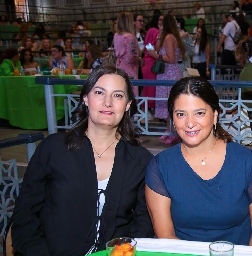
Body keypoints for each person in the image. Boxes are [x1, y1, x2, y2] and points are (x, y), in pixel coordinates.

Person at [12, 66, 154, 255]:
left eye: (118, 95)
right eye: (99, 92)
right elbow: (25, 216)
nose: (107, 102)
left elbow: (144, 221)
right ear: (86, 98)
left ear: (128, 104)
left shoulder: (140, 159)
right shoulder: (53, 149)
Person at [145, 76, 252, 247]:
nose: (190, 123)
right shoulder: (161, 167)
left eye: (199, 113)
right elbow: (166, 237)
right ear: (172, 120)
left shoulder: (245, 161)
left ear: (215, 115)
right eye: (181, 114)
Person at [146, 14, 185, 145]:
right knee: (170, 104)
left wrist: (156, 56)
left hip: (169, 73)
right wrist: (158, 36)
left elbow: (171, 58)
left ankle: (173, 132)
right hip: (169, 73)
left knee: (171, 104)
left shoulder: (169, 38)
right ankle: (169, 130)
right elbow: (157, 48)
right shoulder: (169, 37)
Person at [114, 11, 140, 96]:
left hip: (119, 66)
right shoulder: (129, 37)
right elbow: (130, 58)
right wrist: (139, 59)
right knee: (130, 93)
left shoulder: (116, 35)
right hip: (129, 69)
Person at [142, 13, 163, 116]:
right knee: (150, 90)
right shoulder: (153, 31)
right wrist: (157, 56)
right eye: (160, 19)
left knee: (150, 89)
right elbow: (149, 46)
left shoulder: (158, 31)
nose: (162, 22)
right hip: (151, 64)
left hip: (151, 62)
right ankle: (148, 114)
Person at [134, 14, 146, 79]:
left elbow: (149, 45)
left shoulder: (145, 34)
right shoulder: (131, 35)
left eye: (143, 21)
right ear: (134, 22)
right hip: (136, 60)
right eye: (140, 21)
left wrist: (147, 48)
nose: (142, 23)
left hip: (144, 59)